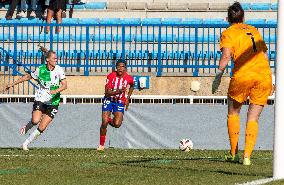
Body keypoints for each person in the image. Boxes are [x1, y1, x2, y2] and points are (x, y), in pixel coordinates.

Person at [212, 2, 272, 165]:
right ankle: (247, 156)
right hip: (263, 75)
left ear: (228, 18)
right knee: (253, 117)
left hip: (243, 76)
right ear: (243, 17)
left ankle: (234, 154)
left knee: (233, 113)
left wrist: (218, 76)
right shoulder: (253, 30)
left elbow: (225, 57)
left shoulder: (228, 32)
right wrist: (271, 77)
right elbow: (265, 55)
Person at [5, 49, 67, 150]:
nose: (56, 60)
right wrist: (12, 84)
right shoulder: (40, 70)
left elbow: (65, 86)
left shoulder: (59, 69)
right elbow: (28, 77)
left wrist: (55, 91)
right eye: (54, 58)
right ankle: (29, 125)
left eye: (56, 58)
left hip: (54, 101)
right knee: (35, 120)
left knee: (42, 127)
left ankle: (26, 143)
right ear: (47, 60)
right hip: (41, 99)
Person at [97, 59, 134, 151]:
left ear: (125, 68)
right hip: (109, 100)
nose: (120, 68)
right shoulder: (111, 76)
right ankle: (101, 145)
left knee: (117, 124)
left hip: (119, 101)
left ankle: (109, 119)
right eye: (118, 66)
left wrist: (127, 98)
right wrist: (118, 91)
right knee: (104, 122)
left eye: (122, 66)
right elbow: (107, 93)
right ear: (116, 68)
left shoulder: (129, 78)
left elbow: (132, 85)